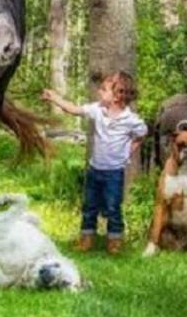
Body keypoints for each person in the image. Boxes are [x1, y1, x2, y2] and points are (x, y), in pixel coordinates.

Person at [41, 72, 147, 254]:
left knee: (113, 208)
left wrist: (128, 152)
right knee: (89, 206)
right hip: (94, 170)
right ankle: (86, 239)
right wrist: (55, 98)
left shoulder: (131, 120)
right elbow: (73, 109)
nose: (99, 92)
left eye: (104, 89)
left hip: (114, 172)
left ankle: (115, 241)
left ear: (118, 95)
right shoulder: (97, 110)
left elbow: (142, 134)